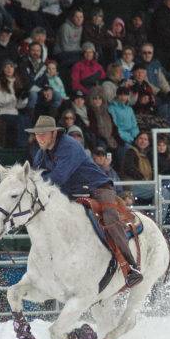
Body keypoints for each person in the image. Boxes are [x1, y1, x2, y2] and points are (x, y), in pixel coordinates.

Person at [28, 115, 143, 287]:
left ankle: (130, 267)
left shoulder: (69, 146)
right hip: (69, 194)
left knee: (110, 217)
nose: (40, 137)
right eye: (37, 134)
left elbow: (58, 177)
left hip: (97, 188)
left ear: (53, 133)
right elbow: (37, 176)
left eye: (43, 133)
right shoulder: (41, 153)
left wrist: (36, 182)